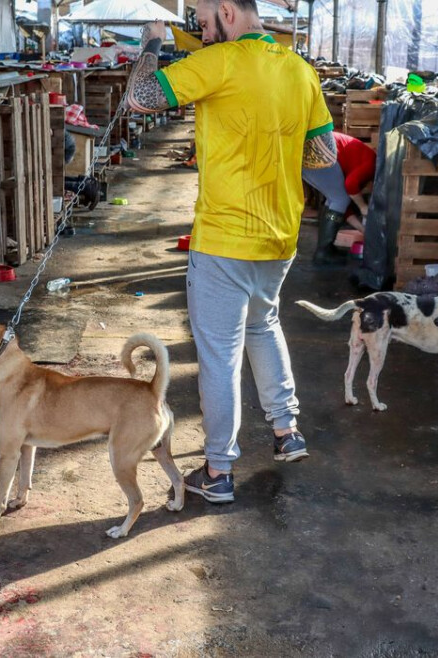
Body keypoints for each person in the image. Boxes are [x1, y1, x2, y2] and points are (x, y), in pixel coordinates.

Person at [126, 1, 337, 503]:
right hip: (280, 236)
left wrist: (153, 40)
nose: (199, 28)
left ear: (227, 10)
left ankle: (218, 471)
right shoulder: (300, 71)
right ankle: (287, 432)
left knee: (219, 355)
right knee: (263, 326)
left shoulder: (218, 63)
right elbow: (322, 154)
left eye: (201, 18)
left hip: (224, 238)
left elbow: (140, 96)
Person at [301, 131, 376, 264]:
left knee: (335, 199)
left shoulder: (358, 166)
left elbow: (342, 206)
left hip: (310, 149)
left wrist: (363, 230)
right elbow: (350, 185)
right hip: (318, 149)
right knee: (339, 198)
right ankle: (323, 254)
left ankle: (325, 249)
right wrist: (363, 206)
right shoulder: (372, 164)